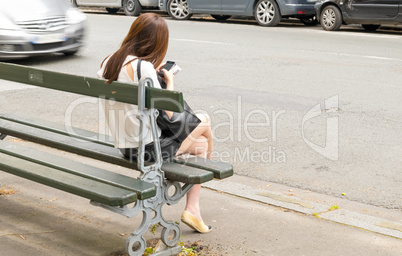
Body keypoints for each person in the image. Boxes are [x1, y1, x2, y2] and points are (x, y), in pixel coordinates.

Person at [97, 13, 213, 233]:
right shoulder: (144, 68)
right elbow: (170, 114)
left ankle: (194, 210)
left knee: (200, 146)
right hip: (149, 150)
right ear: (155, 42)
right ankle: (206, 180)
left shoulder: (108, 61)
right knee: (205, 123)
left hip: (125, 147)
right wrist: (169, 82)